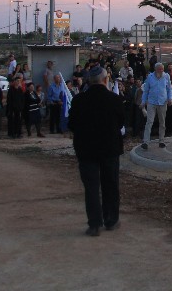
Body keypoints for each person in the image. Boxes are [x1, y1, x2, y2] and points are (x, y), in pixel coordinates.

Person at [68, 65, 125, 237]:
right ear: (105, 79)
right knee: (110, 185)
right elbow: (121, 123)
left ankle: (94, 224)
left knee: (91, 188)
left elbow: (71, 125)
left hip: (86, 150)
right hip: (110, 149)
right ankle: (111, 220)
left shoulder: (79, 100)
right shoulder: (114, 100)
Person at [141, 62, 172, 150]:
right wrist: (143, 101)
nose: (161, 71)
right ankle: (146, 142)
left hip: (163, 102)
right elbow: (146, 91)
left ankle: (161, 141)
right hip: (152, 102)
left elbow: (169, 89)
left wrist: (170, 98)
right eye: (160, 69)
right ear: (155, 69)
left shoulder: (166, 76)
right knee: (149, 121)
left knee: (162, 122)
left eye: (162, 69)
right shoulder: (150, 77)